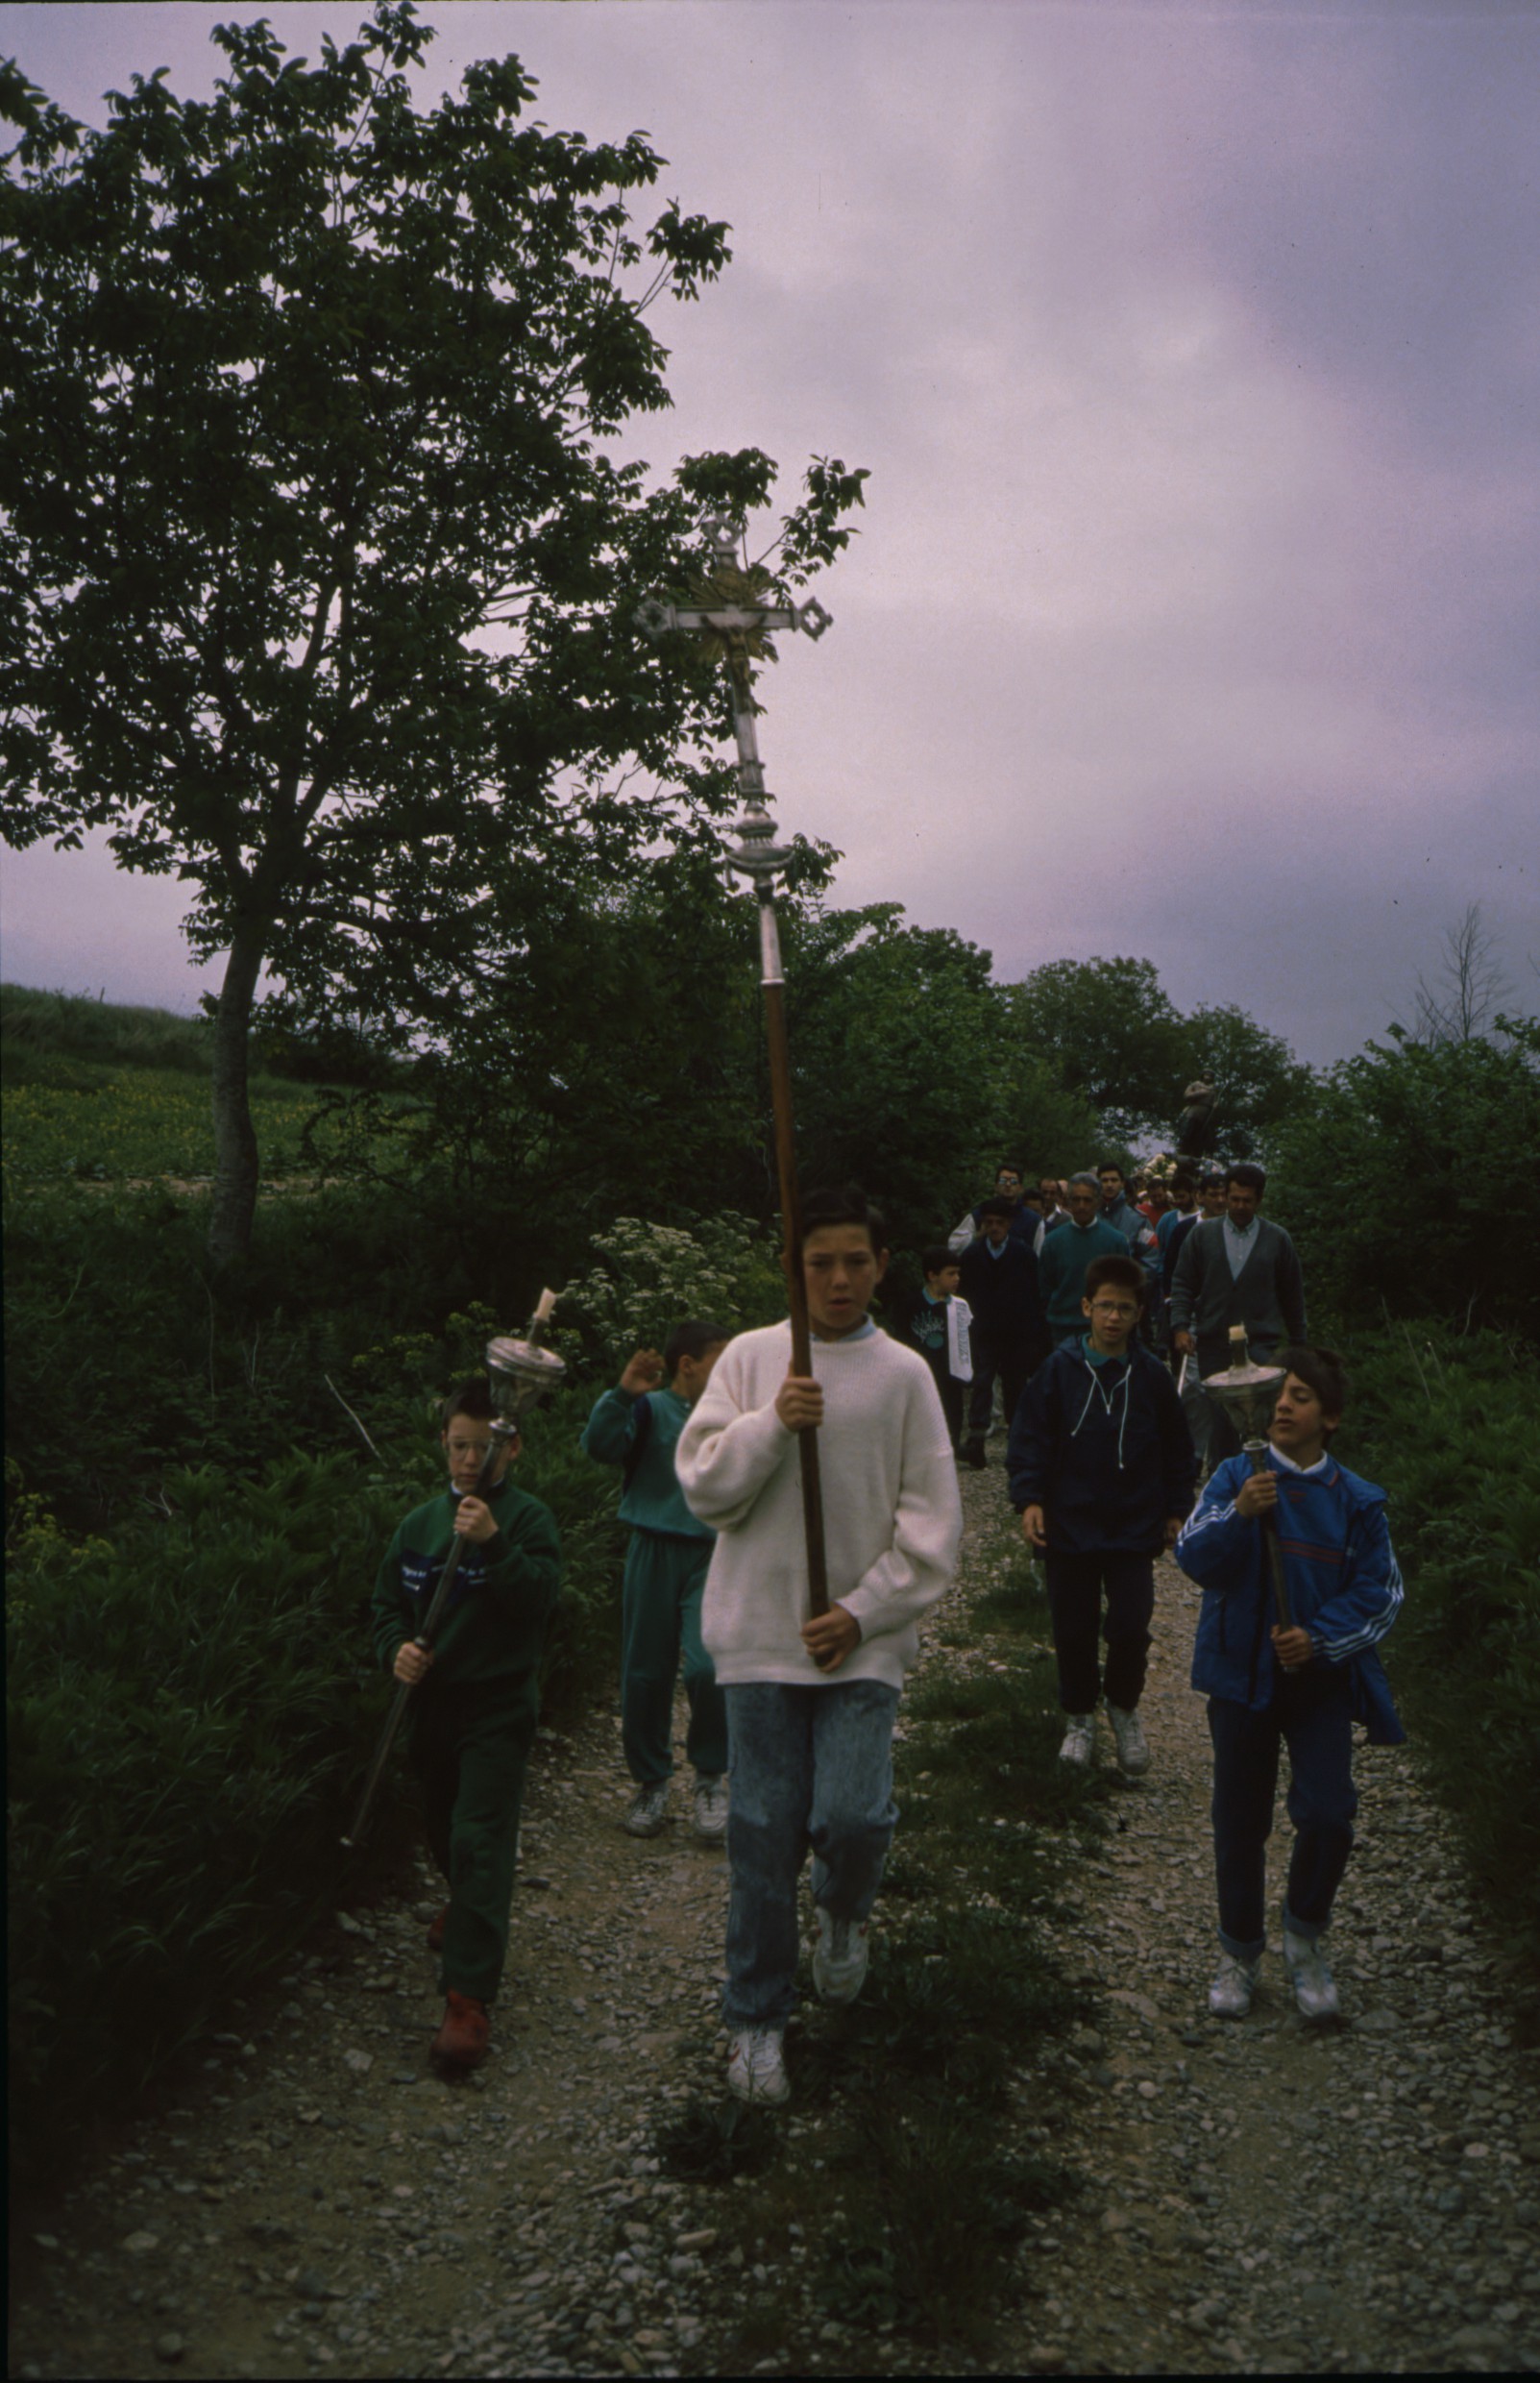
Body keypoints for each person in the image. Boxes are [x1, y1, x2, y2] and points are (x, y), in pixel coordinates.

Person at [676, 1184, 963, 2106]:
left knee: (852, 1816)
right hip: (760, 1640)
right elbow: (704, 1488)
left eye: (854, 1261)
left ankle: (842, 1916)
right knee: (760, 1835)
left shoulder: (905, 1375)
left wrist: (863, 1610)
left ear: (882, 1269)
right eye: (818, 1263)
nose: (837, 1280)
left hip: (859, 1644)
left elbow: (931, 1529)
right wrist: (772, 1425)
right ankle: (755, 2019)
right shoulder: (755, 1363)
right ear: (793, 1271)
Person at [1174, 1348, 1404, 2021]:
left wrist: (1321, 1638)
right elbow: (1192, 1556)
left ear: (1328, 1419)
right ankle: (1238, 1953)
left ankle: (1303, 1939)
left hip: (1318, 1685)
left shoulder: (1356, 1500)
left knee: (1328, 1814)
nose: (1281, 1405)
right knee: (1239, 1820)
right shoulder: (1232, 1477)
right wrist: (1240, 1512)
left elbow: (1381, 1592)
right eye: (1279, 1394)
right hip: (1239, 1678)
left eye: (1300, 1397)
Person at [370, 1378, 562, 2072]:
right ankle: (465, 1902)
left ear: (512, 1447)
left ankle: (467, 1996)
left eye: (484, 1447)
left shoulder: (529, 1519)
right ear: (443, 1446)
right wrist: (395, 1650)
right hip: (434, 1707)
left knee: (480, 1838)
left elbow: (540, 1601)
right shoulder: (418, 1525)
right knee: (444, 1827)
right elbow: (385, 1605)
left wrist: (492, 1544)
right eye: (459, 1446)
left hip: (498, 1706)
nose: (470, 1460)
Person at [1008, 1255, 1196, 1775]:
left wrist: (1176, 1509)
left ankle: (1123, 1707)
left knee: (1131, 1625)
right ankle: (1079, 1717)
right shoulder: (1058, 1371)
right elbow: (1029, 1442)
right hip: (1069, 1525)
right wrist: (1030, 1500)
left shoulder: (1153, 1377)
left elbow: (1180, 1450)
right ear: (1086, 1307)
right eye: (1105, 1307)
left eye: (1126, 1309)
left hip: (1134, 1526)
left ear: (1139, 1316)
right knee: (1073, 1627)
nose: (1114, 1318)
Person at [580, 1319, 733, 1843]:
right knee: (644, 1672)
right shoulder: (650, 1409)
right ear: (687, 1365)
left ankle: (711, 1777)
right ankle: (651, 1782)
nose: (730, 1370)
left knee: (710, 1666)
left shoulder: (734, 1414)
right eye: (719, 1361)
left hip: (714, 1553)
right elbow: (598, 1448)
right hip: (651, 1547)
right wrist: (622, 1395)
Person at [1169, 1163, 1308, 1457]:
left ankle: (1262, 1482)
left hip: (1261, 1344)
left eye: (1247, 1200)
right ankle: (1223, 1487)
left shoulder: (1278, 1239)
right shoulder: (1202, 1236)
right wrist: (1180, 1327)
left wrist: (1299, 1345)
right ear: (1224, 1197)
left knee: (1260, 1421)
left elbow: (1292, 1297)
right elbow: (1182, 1284)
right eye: (1234, 1199)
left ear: (1259, 1200)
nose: (1239, 1206)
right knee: (1221, 1423)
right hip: (1214, 1345)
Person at [957, 1194, 1049, 1466]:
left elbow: (1035, 1294)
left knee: (1015, 1386)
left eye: (999, 1222)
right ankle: (976, 1440)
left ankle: (1018, 1442)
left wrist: (1033, 1333)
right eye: (989, 1223)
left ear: (1009, 1224)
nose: (994, 1227)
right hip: (983, 1331)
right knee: (982, 1383)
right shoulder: (972, 1255)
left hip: (1015, 1333)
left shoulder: (1023, 1254)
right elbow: (964, 1295)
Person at [893, 1244, 973, 1453]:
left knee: (953, 1412)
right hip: (923, 1372)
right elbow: (901, 1339)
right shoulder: (911, 1304)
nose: (957, 1278)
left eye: (958, 1273)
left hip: (950, 1373)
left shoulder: (958, 1306)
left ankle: (952, 1448)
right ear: (932, 1275)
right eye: (951, 1274)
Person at [1035, 1173, 1127, 1349]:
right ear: (1068, 1201)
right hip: (1062, 1330)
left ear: (1098, 1202)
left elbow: (1124, 1287)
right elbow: (1045, 1288)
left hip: (1103, 1328)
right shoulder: (1053, 1241)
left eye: (1087, 1200)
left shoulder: (1116, 1241)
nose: (1081, 1206)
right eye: (1076, 1200)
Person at [945, 1161, 1037, 1254]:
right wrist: (978, 1235)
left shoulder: (1033, 1220)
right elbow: (953, 1246)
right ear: (996, 1186)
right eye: (1003, 1180)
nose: (1008, 1184)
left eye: (1013, 1181)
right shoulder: (979, 1214)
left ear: (1020, 1188)